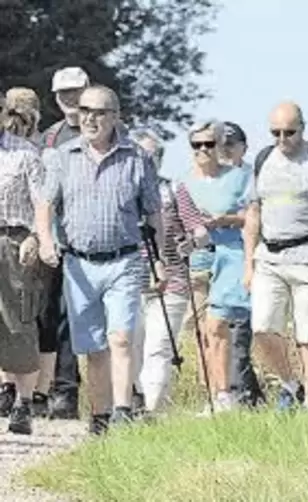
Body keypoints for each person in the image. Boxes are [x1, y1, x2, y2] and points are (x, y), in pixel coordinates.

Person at [36, 85, 164, 434]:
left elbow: (154, 214)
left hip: (124, 259)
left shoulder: (138, 158)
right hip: (79, 264)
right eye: (85, 111)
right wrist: (46, 241)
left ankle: (123, 410)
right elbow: (46, 205)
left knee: (120, 337)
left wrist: (160, 262)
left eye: (99, 112)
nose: (90, 118)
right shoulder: (63, 157)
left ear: (116, 117)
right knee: (93, 348)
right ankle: (101, 416)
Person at [243, 102, 308, 409]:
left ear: (302, 127)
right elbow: (253, 213)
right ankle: (290, 381)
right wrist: (249, 262)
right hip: (270, 256)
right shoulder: (263, 160)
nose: (283, 139)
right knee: (262, 327)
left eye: (290, 132)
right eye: (276, 133)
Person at [175, 119, 250, 414]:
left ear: (221, 146)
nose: (204, 150)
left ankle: (226, 392)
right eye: (197, 145)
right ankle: (213, 394)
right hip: (197, 257)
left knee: (219, 324)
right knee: (203, 330)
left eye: (210, 144)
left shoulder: (240, 177)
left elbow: (253, 215)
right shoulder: (183, 182)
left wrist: (224, 219)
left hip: (231, 253)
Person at [0, 88, 56, 419]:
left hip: (12, 240)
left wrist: (36, 237)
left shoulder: (25, 155)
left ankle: (23, 400)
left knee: (18, 318)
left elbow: (42, 203)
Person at [129, 129, 192, 413]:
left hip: (171, 282)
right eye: (141, 155)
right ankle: (133, 401)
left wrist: (191, 241)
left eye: (152, 156)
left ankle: (152, 410)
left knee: (159, 347)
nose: (147, 162)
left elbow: (198, 229)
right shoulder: (121, 193)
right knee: (130, 348)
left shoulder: (174, 190)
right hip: (129, 281)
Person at [41, 66, 90, 420]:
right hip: (59, 239)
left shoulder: (109, 130)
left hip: (98, 237)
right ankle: (63, 390)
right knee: (56, 316)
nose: (70, 100)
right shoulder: (49, 137)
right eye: (63, 94)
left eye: (75, 91)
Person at [219, 121, 264, 407]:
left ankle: (243, 394)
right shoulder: (206, 178)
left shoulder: (252, 177)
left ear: (243, 148)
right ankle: (241, 393)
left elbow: (253, 216)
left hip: (245, 258)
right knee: (216, 331)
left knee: (239, 330)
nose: (223, 151)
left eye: (230, 145)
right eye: (218, 145)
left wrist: (225, 218)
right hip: (214, 260)